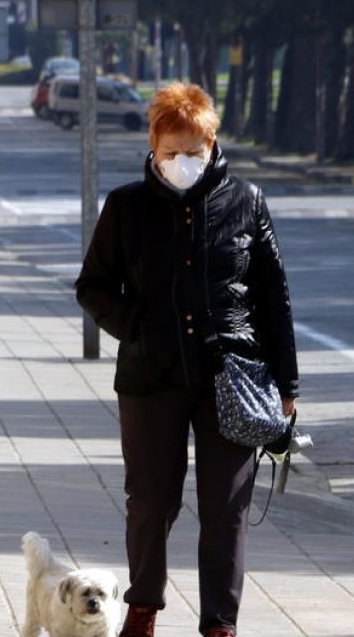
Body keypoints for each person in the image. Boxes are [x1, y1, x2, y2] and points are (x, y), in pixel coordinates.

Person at [75, 82, 299, 637]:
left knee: (226, 510)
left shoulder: (246, 200)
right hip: (151, 378)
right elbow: (93, 285)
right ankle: (144, 607)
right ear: (153, 145)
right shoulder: (126, 206)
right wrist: (138, 329)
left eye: (193, 150)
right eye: (171, 151)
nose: (182, 162)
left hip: (233, 376)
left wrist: (287, 384)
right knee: (151, 502)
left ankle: (220, 624)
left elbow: (274, 295)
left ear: (212, 141)